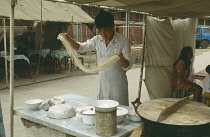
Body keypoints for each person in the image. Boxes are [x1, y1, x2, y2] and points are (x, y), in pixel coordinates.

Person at [58, 10, 132, 106]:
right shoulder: (97, 40)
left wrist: (121, 59)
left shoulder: (123, 42)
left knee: (120, 110)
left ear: (113, 26)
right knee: (103, 109)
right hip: (103, 84)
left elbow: (127, 66)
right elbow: (80, 48)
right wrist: (68, 39)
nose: (103, 34)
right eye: (100, 31)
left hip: (118, 85)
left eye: (106, 30)